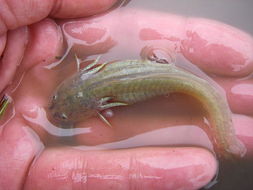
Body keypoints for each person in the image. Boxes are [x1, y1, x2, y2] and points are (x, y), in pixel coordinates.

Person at [0, 0, 253, 189]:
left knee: (202, 90)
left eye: (59, 107)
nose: (53, 109)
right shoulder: (90, 73)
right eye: (57, 104)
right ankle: (228, 143)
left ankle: (228, 143)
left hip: (156, 79)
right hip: (141, 75)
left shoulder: (96, 98)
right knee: (200, 90)